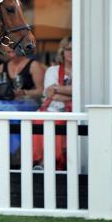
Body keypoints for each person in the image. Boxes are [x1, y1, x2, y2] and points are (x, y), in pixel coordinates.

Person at [32, 36, 73, 170]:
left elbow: (83, 91)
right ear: (62, 51)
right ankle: (42, 162)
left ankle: (52, 163)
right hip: (53, 110)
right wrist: (71, 93)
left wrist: (57, 89)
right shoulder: (52, 70)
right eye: (68, 49)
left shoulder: (85, 72)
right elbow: (49, 94)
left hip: (74, 112)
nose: (72, 52)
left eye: (75, 49)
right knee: (40, 120)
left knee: (57, 121)